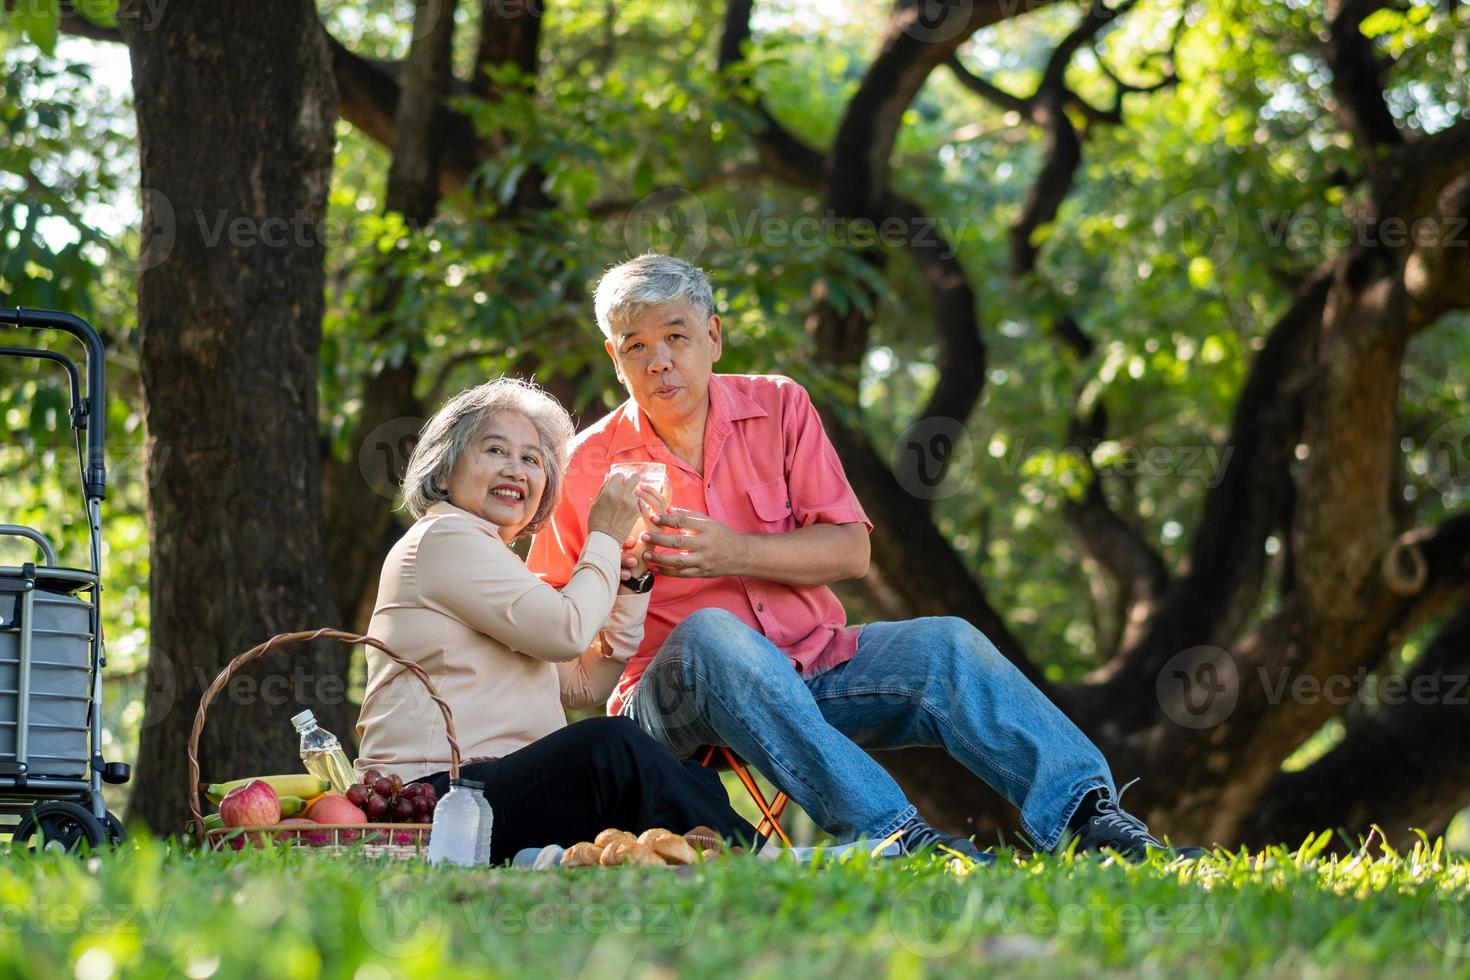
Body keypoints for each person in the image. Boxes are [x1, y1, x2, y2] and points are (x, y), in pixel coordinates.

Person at [527, 253, 1200, 862]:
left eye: (676, 336)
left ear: (714, 336)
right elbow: (544, 628)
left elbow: (852, 550)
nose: (659, 362)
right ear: (615, 359)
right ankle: (895, 838)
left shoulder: (780, 404)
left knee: (946, 645)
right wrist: (619, 582)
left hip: (814, 667)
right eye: (636, 347)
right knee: (711, 636)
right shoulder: (585, 465)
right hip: (666, 700)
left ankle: (1090, 821)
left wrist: (736, 551)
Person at [355, 377, 755, 863]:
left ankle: (721, 861)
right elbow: (566, 631)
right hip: (438, 801)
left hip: (492, 790)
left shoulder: (490, 558)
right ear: (443, 471)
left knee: (687, 773)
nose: (515, 469)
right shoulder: (443, 538)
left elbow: (584, 685)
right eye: (495, 450)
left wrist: (630, 588)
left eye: (532, 459)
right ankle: (768, 861)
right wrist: (603, 538)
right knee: (610, 747)